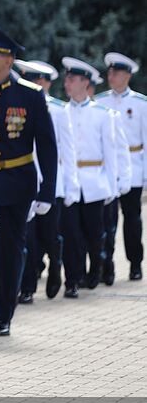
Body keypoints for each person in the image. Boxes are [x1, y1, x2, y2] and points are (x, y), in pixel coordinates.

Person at [0, 26, 58, 335]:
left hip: (19, 182)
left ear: (9, 60)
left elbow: (46, 144)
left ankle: (5, 314)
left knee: (10, 250)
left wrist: (47, 192)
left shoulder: (30, 95)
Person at [14, 60, 79, 302]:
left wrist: (71, 185)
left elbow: (67, 151)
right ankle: (28, 288)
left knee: (50, 236)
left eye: (35, 80)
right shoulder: (18, 106)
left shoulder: (59, 110)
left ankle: (56, 265)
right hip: (25, 181)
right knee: (28, 238)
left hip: (52, 183)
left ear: (45, 82)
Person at [61, 57, 117, 296]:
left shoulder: (103, 114)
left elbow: (111, 153)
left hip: (94, 181)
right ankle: (73, 279)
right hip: (69, 181)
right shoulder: (60, 111)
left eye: (72, 79)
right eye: (67, 79)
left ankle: (95, 271)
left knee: (94, 234)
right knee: (71, 234)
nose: (67, 83)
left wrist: (112, 186)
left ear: (85, 83)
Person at [96, 53, 147, 281]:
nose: (111, 76)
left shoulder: (140, 104)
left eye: (116, 73)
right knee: (106, 221)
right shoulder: (100, 102)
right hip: (107, 170)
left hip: (133, 169)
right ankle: (106, 265)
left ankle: (135, 263)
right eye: (110, 72)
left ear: (127, 76)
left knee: (132, 219)